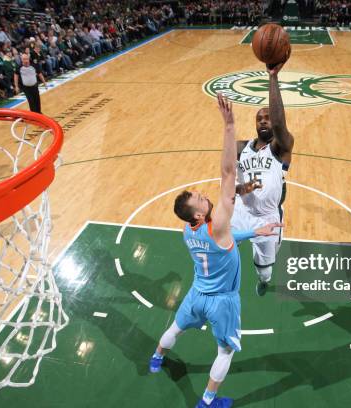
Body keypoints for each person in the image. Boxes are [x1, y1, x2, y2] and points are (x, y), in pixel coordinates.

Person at [148, 94, 281, 408]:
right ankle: (207, 401)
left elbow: (229, 240)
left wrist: (254, 231)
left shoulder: (189, 231)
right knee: (226, 351)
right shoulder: (218, 225)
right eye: (200, 199)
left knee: (176, 328)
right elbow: (228, 175)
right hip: (222, 302)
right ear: (198, 214)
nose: (205, 196)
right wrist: (229, 125)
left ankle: (156, 359)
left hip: (197, 293)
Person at [231, 61, 294, 296]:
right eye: (260, 118)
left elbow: (279, 124)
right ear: (255, 124)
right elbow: (227, 181)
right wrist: (241, 189)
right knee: (223, 247)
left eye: (267, 117)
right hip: (240, 212)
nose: (264, 120)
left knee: (264, 270)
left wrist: (273, 78)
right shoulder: (240, 147)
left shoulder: (280, 147)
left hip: (267, 217)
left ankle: (264, 280)